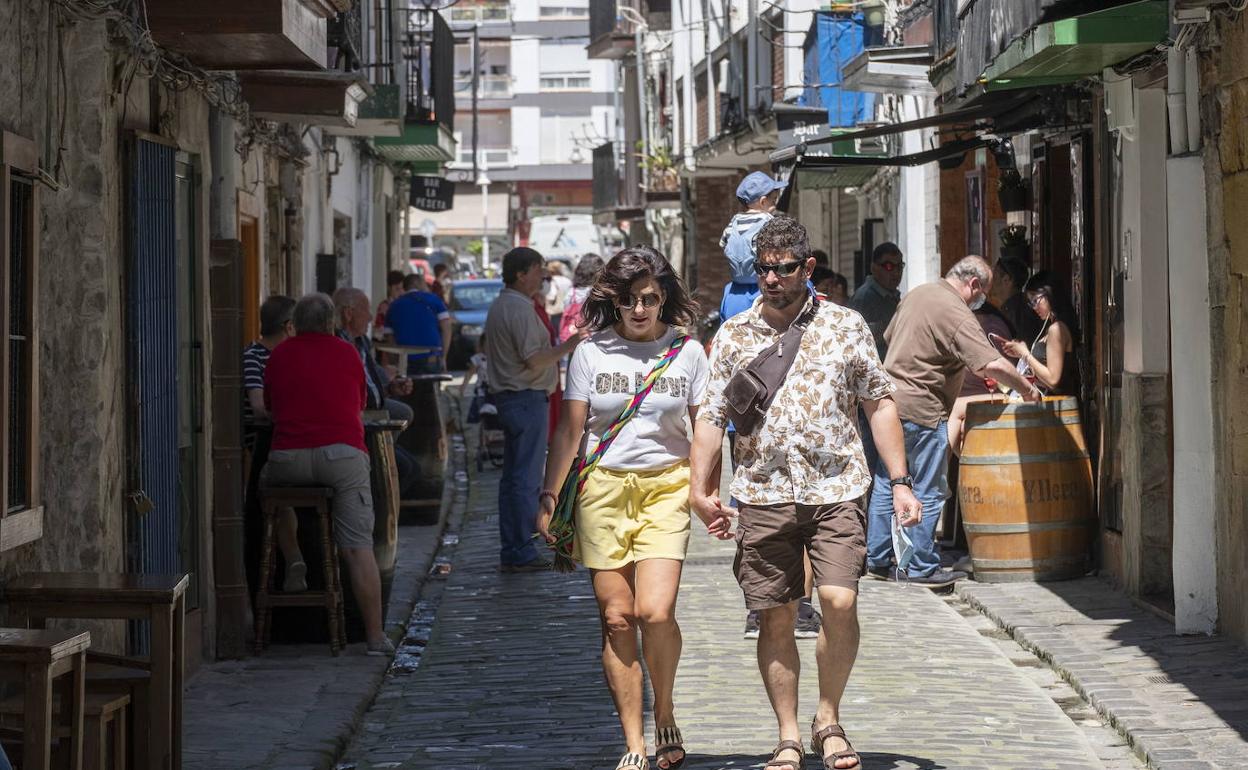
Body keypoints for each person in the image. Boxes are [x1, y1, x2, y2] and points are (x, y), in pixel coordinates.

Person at [690, 215, 923, 770]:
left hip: (837, 486)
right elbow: (711, 416)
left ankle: (830, 717)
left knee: (839, 602)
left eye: (783, 268)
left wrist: (901, 480)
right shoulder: (734, 335)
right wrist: (701, 490)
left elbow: (879, 401)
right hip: (763, 491)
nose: (771, 278)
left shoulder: (846, 326)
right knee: (775, 615)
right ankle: (789, 735)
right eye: (763, 269)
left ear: (807, 268)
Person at [538, 245, 708, 770]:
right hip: (602, 490)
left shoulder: (689, 353)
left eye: (650, 299)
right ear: (615, 302)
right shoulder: (591, 352)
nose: (640, 310)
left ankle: (666, 708)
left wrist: (705, 489)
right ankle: (634, 741)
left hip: (665, 487)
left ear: (665, 300)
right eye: (631, 300)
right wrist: (549, 496)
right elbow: (571, 431)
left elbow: (705, 429)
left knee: (654, 612)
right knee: (617, 618)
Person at [867, 256, 1042, 588]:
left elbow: (890, 337)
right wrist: (1028, 390)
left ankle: (877, 558)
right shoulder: (955, 310)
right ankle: (920, 566)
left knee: (888, 480)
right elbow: (990, 364)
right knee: (928, 488)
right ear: (974, 285)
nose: (982, 300)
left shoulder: (918, 294)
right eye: (983, 292)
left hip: (889, 403)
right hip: (923, 407)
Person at [261, 293, 393, 655]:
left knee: (266, 491)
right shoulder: (347, 353)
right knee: (357, 547)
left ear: (296, 323)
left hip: (288, 458)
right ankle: (375, 637)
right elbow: (361, 402)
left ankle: (293, 556)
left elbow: (270, 407)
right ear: (331, 322)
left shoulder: (280, 354)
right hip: (343, 456)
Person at [484, 247, 586, 572]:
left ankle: (515, 547)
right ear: (520, 274)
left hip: (517, 396)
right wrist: (571, 344)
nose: (543, 275)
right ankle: (519, 550)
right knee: (524, 478)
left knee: (515, 477)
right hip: (524, 396)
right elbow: (534, 358)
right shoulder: (516, 308)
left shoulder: (508, 305)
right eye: (537, 269)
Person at [333, 288, 421, 500]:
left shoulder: (361, 342)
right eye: (366, 310)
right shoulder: (339, 345)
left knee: (404, 414)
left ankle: (383, 458)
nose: (371, 317)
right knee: (405, 468)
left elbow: (372, 379)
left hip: (374, 415)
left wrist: (392, 387)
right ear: (348, 313)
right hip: (357, 422)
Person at [242, 295, 301, 594]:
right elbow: (258, 407)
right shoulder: (254, 356)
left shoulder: (291, 357)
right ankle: (292, 559)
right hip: (261, 447)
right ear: (289, 326)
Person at [1001, 270, 1081, 396]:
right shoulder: (1051, 327)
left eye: (1035, 300)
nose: (1034, 307)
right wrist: (1022, 355)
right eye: (1030, 303)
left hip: (1057, 409)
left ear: (1050, 294)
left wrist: (1026, 354)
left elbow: (1053, 380)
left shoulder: (1057, 329)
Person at [719, 171, 786, 320]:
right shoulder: (768, 220)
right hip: (761, 287)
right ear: (763, 202)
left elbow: (723, 243)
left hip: (736, 291)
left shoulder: (734, 222)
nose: (775, 205)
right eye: (773, 201)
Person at [849, 242, 905, 358]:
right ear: (874, 268)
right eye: (889, 267)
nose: (896, 273)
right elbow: (854, 342)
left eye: (899, 267)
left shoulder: (893, 297)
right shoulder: (864, 299)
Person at [387, 273, 451, 374]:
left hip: (405, 359)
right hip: (431, 357)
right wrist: (443, 357)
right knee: (430, 388)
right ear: (417, 283)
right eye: (424, 283)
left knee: (408, 388)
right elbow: (447, 329)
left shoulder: (394, 306)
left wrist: (395, 361)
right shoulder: (434, 300)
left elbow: (390, 337)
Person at [991, 257, 1044, 346]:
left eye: (994, 276)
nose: (991, 281)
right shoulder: (1019, 306)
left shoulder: (1017, 313)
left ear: (1006, 280)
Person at [559, 254, 604, 343]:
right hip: (595, 337)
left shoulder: (572, 292)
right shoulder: (597, 292)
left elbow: (565, 309)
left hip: (573, 337)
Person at [373, 270, 406, 342]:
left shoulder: (405, 305)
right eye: (397, 289)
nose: (401, 292)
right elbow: (379, 329)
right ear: (389, 288)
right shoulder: (384, 306)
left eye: (403, 288)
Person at [545, 261, 574, 332]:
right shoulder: (567, 280)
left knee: (557, 332)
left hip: (556, 312)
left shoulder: (552, 281)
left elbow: (551, 296)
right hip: (568, 310)